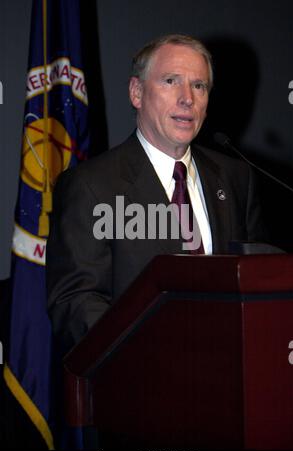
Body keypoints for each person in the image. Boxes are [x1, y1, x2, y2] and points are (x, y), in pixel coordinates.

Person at [46, 34, 266, 355]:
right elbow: (75, 302)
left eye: (199, 86)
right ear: (137, 92)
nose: (187, 98)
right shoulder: (91, 185)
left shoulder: (236, 177)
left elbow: (257, 281)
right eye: (170, 81)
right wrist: (151, 354)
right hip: (142, 385)